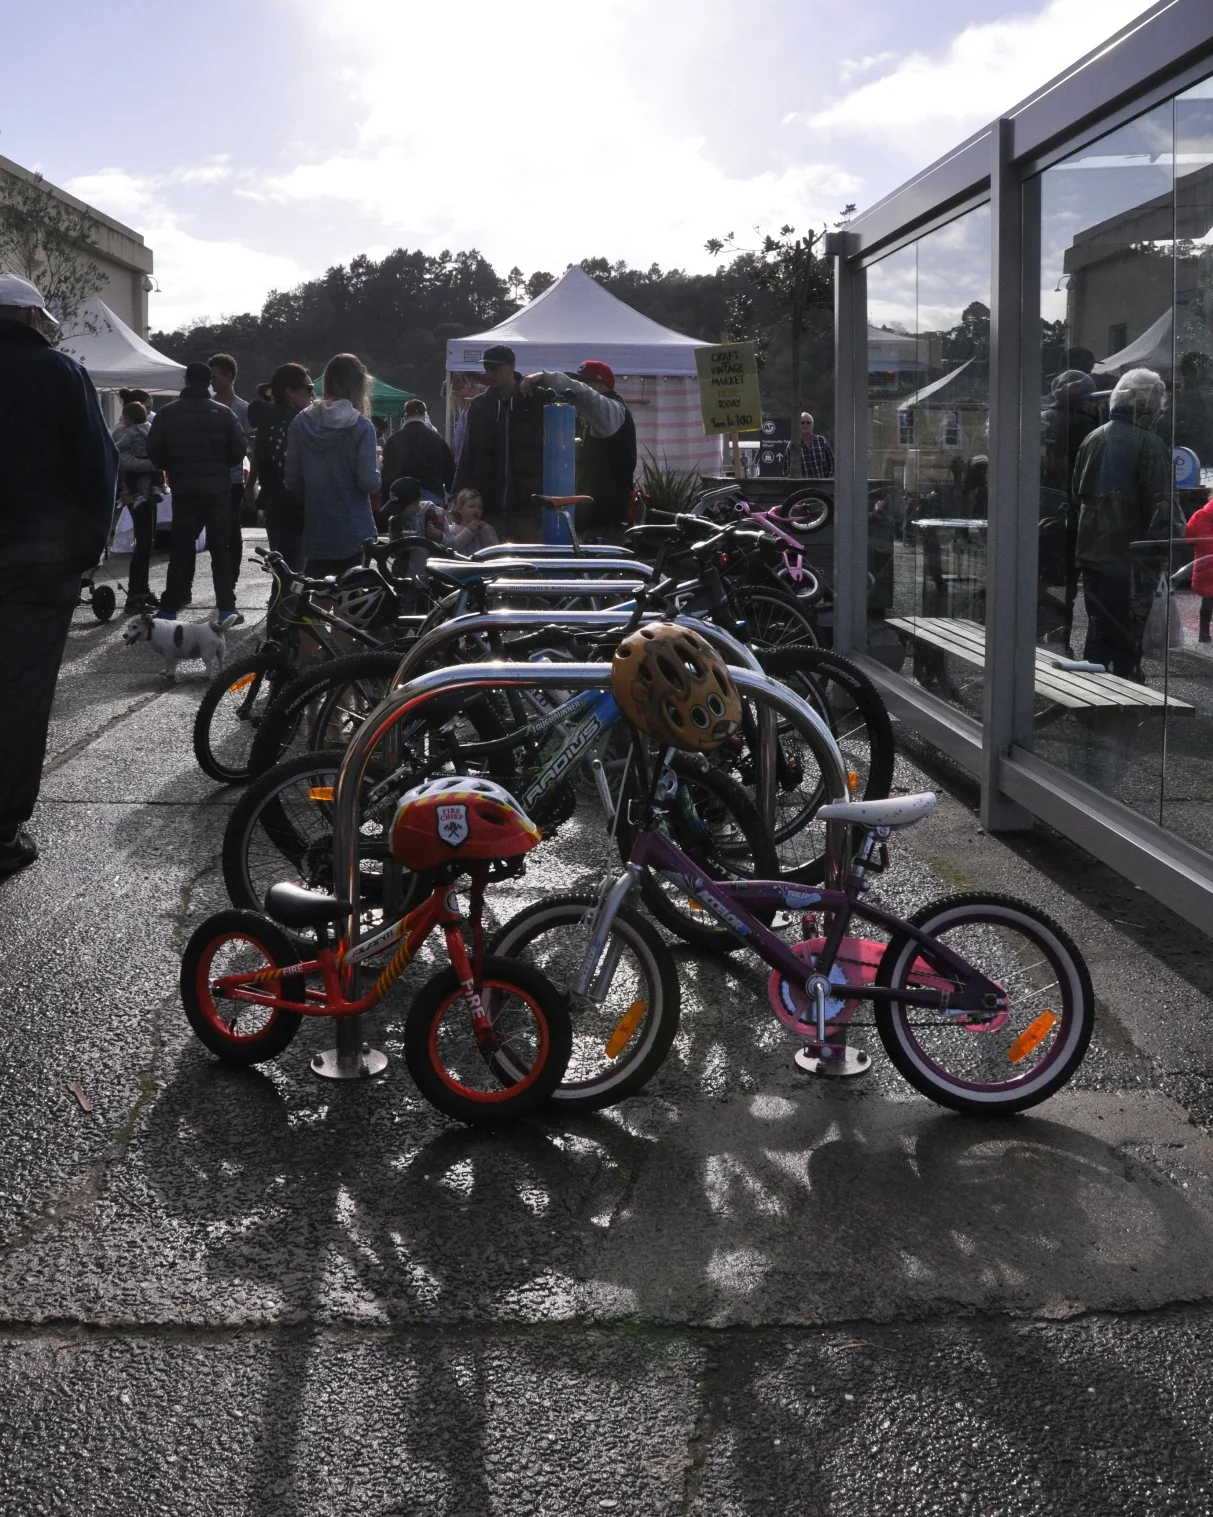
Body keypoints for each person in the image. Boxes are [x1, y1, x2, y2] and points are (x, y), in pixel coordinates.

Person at [0, 273, 119, 876]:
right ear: (29, 319)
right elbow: (98, 469)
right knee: (20, 690)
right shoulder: (61, 374)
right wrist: (85, 552)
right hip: (38, 560)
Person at [1072, 367, 1173, 677]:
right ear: (1147, 406)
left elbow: (1078, 490)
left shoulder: (1093, 437)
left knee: (1099, 627)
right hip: (1131, 557)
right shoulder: (1150, 444)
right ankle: (1125, 697)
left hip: (1091, 551)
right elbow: (1161, 508)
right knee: (1129, 634)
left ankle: (1091, 697)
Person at [147, 361, 248, 627]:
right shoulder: (224, 413)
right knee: (220, 550)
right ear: (209, 382)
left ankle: (169, 608)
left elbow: (154, 453)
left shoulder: (167, 414)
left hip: (183, 489)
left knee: (181, 549)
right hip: (217, 490)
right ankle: (227, 607)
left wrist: (174, 466)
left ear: (186, 381)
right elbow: (239, 451)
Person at [284, 351, 381, 577]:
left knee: (318, 598)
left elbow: (292, 479)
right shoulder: (362, 427)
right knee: (350, 599)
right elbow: (368, 482)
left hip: (317, 527)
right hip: (354, 529)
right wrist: (378, 466)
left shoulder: (301, 422)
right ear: (359, 385)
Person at [519, 359, 637, 540]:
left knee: (602, 565)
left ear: (600, 384)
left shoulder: (611, 412)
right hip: (598, 517)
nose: (579, 388)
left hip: (606, 521)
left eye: (586, 382)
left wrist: (545, 377)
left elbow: (586, 395)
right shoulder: (598, 420)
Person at [451, 343, 545, 540]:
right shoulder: (479, 406)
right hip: (490, 508)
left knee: (530, 565)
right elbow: (467, 454)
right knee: (492, 565)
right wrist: (456, 497)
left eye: (494, 368)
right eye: (486, 369)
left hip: (528, 508)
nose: (488, 374)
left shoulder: (536, 401)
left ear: (511, 368)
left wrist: (543, 375)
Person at [1040, 369, 1100, 646]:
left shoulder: (1043, 419)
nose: (1094, 404)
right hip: (1069, 516)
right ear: (1079, 399)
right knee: (1065, 584)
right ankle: (1057, 640)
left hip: (1040, 510)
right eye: (1089, 398)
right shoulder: (1085, 428)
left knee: (1038, 579)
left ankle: (1036, 635)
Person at [247, 363, 312, 572]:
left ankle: (282, 604)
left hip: (275, 505)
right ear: (290, 392)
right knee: (292, 573)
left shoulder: (270, 420)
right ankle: (284, 606)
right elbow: (292, 470)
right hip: (292, 508)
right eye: (308, 389)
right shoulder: (291, 423)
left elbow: (259, 459)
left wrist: (251, 487)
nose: (312, 394)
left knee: (285, 571)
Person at [112, 399, 163, 612]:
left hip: (148, 491)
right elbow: (123, 461)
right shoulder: (123, 432)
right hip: (135, 494)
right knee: (142, 544)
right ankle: (134, 595)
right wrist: (155, 464)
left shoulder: (136, 431)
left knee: (147, 544)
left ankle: (143, 589)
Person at [208, 353, 251, 587]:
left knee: (232, 532)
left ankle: (230, 582)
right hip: (208, 480)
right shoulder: (205, 406)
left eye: (216, 376)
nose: (212, 381)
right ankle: (218, 583)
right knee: (215, 535)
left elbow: (247, 446)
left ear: (230, 376)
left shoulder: (242, 409)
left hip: (233, 480)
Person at [381, 397, 455, 502]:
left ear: (405, 416)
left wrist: (385, 500)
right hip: (432, 495)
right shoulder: (438, 440)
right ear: (424, 416)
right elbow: (449, 471)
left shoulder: (393, 440)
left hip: (402, 498)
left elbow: (387, 474)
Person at [1185, 493, 1213, 644]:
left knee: (1208, 599)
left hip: (1206, 564)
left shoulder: (1200, 515)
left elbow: (1188, 536)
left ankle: (1204, 634)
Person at [449, 488, 498, 553]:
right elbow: (453, 548)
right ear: (459, 509)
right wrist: (469, 530)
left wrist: (485, 532)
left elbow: (495, 550)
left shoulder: (486, 528)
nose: (476, 510)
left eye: (479, 507)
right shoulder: (452, 529)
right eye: (472, 506)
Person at [796, 413, 835, 479]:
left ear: (812, 425)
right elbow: (787, 470)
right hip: (801, 487)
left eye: (808, 422)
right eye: (802, 422)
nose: (805, 424)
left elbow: (832, 463)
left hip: (823, 486)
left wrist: (829, 479)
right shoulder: (793, 445)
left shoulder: (822, 441)